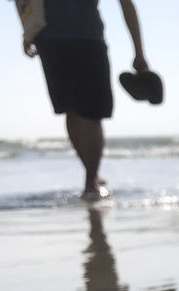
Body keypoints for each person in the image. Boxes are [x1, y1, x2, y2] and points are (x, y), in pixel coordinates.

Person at [19, 0, 150, 199]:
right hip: (79, 38)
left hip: (54, 39)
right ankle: (91, 181)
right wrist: (138, 52)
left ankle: (91, 177)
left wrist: (28, 29)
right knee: (88, 112)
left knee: (74, 110)